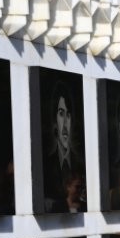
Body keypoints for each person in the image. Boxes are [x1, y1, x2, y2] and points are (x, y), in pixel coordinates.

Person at [43, 80, 85, 212]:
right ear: (54, 120)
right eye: (61, 114)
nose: (65, 121)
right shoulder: (47, 163)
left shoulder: (79, 161)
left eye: (68, 115)